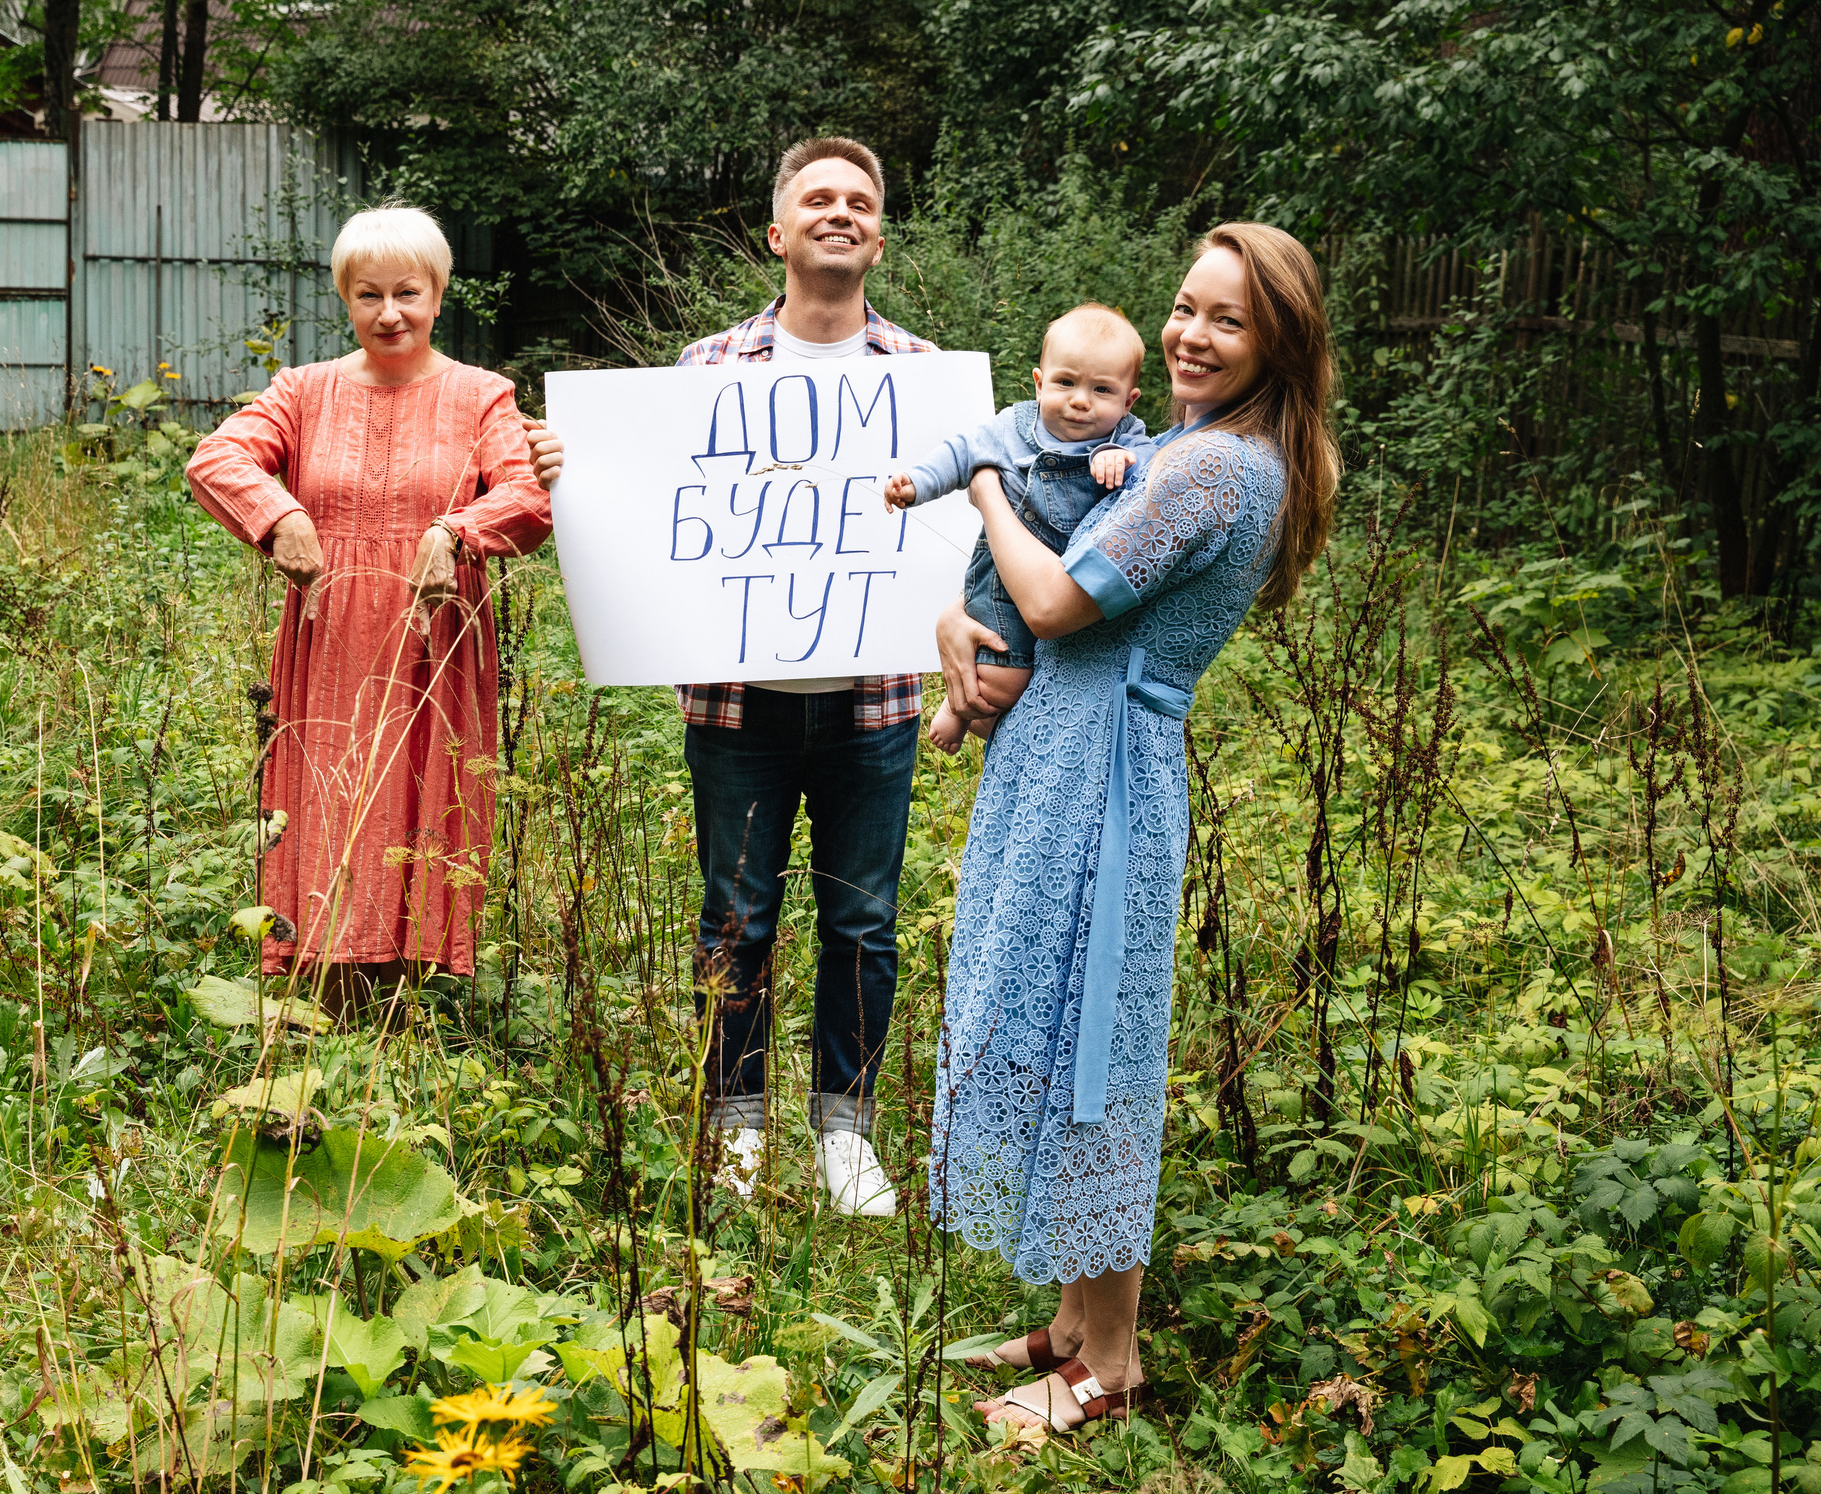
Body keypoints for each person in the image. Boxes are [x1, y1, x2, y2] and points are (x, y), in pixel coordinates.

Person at [929, 223, 1340, 1433]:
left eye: (1227, 320)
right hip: (1064, 754)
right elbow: (1039, 593)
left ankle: (1109, 1368)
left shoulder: (1212, 470)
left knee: (1089, 1052)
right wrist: (957, 628)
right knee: (1061, 1027)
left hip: (1101, 777)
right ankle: (1067, 1329)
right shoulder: (1179, 445)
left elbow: (1053, 598)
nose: (1189, 336)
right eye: (1184, 306)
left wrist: (989, 477)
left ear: (1276, 342)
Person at [525, 137, 941, 1217]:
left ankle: (844, 1135)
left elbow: (959, 536)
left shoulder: (925, 379)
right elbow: (647, 504)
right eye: (817, 197)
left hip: (873, 706)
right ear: (778, 231)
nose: (838, 211)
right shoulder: (705, 371)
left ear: (879, 237)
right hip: (736, 707)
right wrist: (573, 471)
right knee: (735, 919)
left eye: (858, 199)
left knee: (863, 921)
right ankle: (736, 1127)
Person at [185, 204, 551, 1013]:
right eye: (369, 295)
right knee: (326, 793)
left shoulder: (483, 396)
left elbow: (529, 497)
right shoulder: (303, 391)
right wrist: (279, 514)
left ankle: (415, 996)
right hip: (330, 640)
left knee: (426, 792)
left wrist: (460, 530)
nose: (390, 313)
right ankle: (326, 986)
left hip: (435, 643)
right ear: (345, 300)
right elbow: (216, 456)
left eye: (408, 293)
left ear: (438, 295)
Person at [884, 303, 1160, 750]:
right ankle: (958, 708)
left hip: (1069, 585)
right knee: (1003, 680)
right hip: (1002, 576)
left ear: (1128, 400)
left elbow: (1151, 473)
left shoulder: (1125, 439)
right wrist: (916, 484)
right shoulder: (1012, 427)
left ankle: (984, 717)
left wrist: (1122, 460)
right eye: (1065, 382)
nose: (1079, 400)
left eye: (1102, 389)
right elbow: (961, 454)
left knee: (1045, 674)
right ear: (1039, 382)